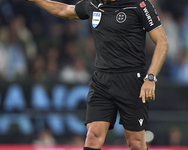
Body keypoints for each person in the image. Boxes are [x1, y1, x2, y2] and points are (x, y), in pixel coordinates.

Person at [25, 0, 168, 150]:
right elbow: (64, 10)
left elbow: (162, 42)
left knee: (136, 142)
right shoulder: (92, 4)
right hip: (102, 80)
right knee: (93, 136)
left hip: (131, 80)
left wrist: (150, 78)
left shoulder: (139, 5)